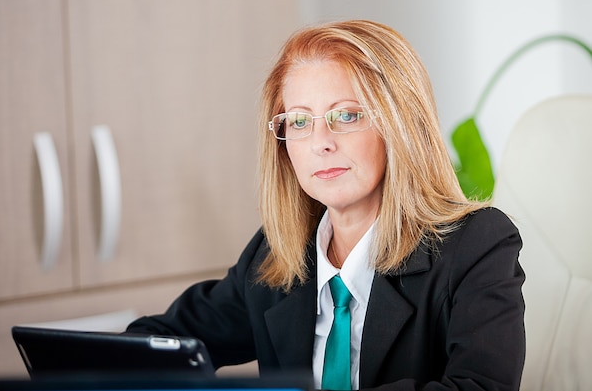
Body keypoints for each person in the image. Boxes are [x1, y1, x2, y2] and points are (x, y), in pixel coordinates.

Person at [126, 20, 525, 391]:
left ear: (401, 125)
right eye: (299, 121)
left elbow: (479, 386)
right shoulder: (278, 252)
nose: (321, 142)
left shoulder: (477, 244)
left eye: (347, 115)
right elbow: (162, 343)